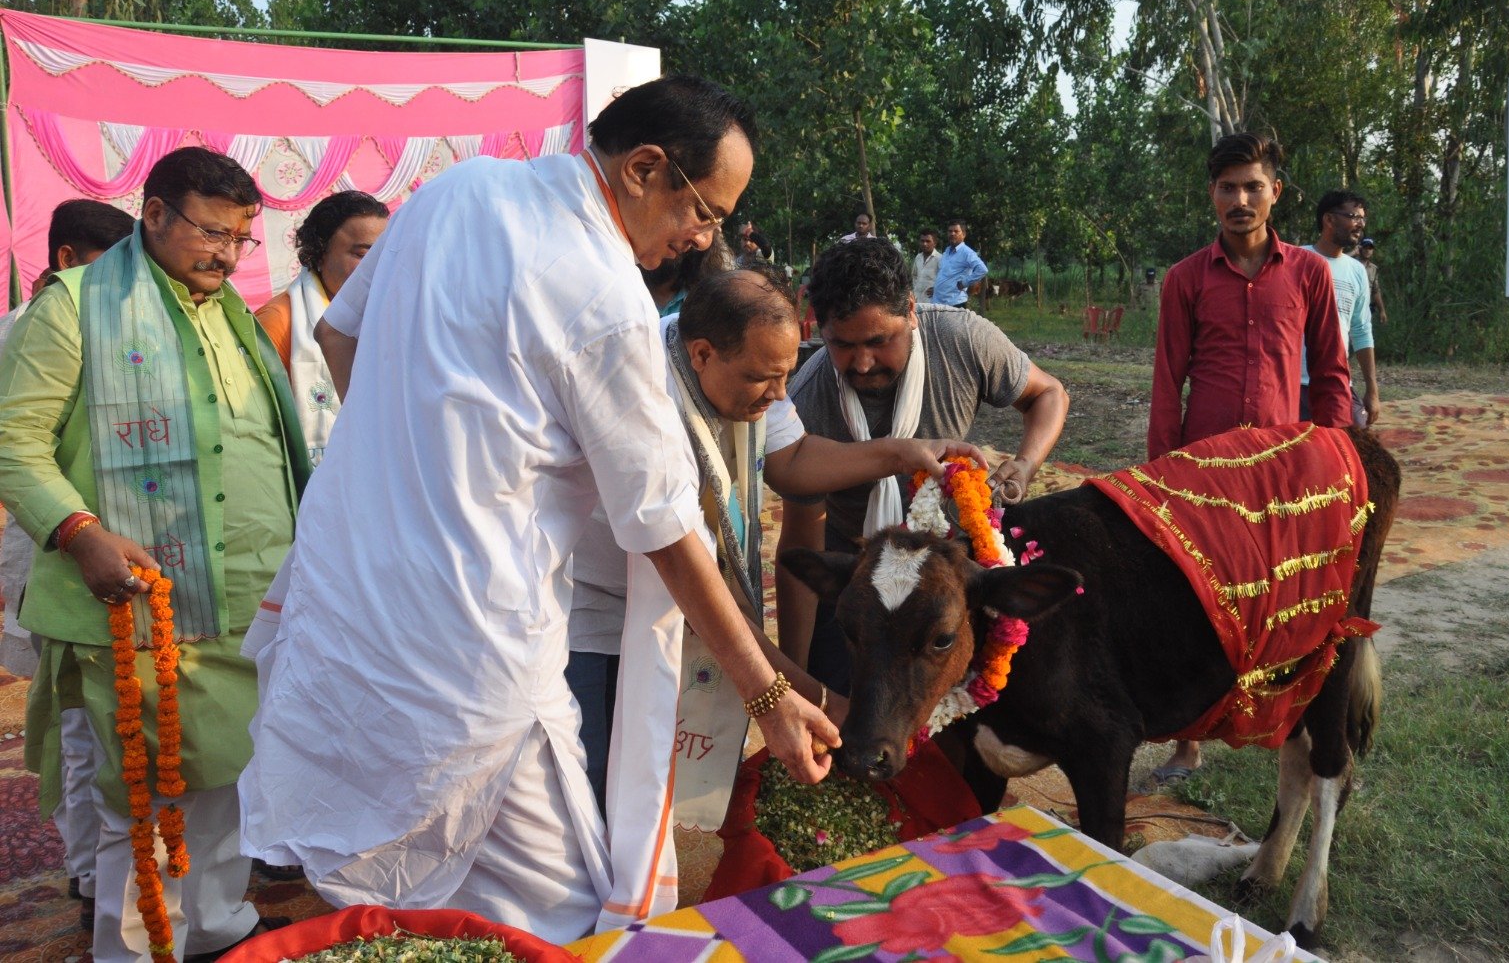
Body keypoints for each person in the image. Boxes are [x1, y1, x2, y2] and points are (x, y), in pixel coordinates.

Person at [238, 76, 838, 943]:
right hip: (471, 637)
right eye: (705, 211)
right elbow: (665, 527)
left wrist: (401, 464)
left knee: (405, 875)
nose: (704, 238)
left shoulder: (454, 190)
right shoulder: (604, 295)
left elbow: (339, 332)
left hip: (352, 594)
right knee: (560, 911)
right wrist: (768, 692)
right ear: (644, 168)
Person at [0, 147, 310, 961]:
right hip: (140, 598)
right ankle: (136, 950)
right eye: (210, 232)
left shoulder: (231, 313)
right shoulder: (75, 306)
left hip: (250, 595)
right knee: (146, 793)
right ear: (156, 213)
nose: (226, 255)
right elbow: (13, 441)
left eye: (239, 238)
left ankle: (214, 925)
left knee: (232, 775)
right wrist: (79, 533)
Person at [566, 267, 980, 799]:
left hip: (665, 612)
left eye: (787, 374)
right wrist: (800, 697)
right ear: (701, 354)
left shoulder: (750, 371)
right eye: (764, 378)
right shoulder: (645, 404)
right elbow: (693, 581)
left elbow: (793, 457)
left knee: (647, 784)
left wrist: (903, 453)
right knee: (592, 785)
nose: (780, 394)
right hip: (590, 617)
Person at [775, 237, 1069, 695]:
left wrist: (1026, 463)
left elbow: (1048, 393)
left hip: (953, 563)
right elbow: (802, 535)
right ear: (819, 330)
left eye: (879, 341)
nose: (863, 363)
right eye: (842, 345)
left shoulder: (962, 340)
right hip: (858, 566)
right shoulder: (808, 402)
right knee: (845, 698)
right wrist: (795, 678)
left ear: (911, 311)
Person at [1146, 132, 1349, 786]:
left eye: (1253, 186)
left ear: (1275, 193)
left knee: (1285, 599)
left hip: (1282, 473)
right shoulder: (1185, 279)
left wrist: (1337, 463)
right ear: (1212, 195)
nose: (1241, 199)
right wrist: (1160, 480)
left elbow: (1332, 375)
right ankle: (1188, 744)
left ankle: (1285, 722)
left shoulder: (1309, 273)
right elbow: (1168, 381)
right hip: (1202, 473)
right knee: (1195, 600)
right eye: (1228, 187)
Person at [0, 197, 134, 933]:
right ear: (66, 260)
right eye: (109, 268)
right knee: (78, 724)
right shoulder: (33, 326)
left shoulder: (114, 320)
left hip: (100, 545)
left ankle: (101, 867)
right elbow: (18, 447)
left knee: (106, 724)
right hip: (57, 545)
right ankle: (88, 871)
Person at [255, 190, 390, 468]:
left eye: (384, 255)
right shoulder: (279, 321)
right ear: (318, 252)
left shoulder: (388, 316)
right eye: (362, 254)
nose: (376, 267)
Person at [1299, 190, 1379, 427]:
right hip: (1293, 383)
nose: (1360, 224)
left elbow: (1361, 331)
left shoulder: (1357, 271)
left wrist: (1372, 390)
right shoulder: (1296, 260)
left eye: (1363, 218)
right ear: (1329, 219)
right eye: (1353, 217)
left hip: (1336, 381)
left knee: (1354, 441)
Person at [932, 218, 987, 307]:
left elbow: (982, 269)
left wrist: (964, 282)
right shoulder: (947, 251)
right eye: (950, 231)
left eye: (956, 231)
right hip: (938, 302)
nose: (952, 234)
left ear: (964, 234)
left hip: (954, 303)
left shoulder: (967, 253)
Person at [1357, 237, 1386, 324]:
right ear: (1360, 248)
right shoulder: (1351, 263)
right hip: (1351, 306)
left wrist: (1382, 311)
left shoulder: (1374, 268)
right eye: (1365, 247)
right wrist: (1353, 252)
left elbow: (1375, 291)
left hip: (1365, 309)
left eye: (1370, 248)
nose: (1367, 250)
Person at [911, 228, 940, 301]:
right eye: (922, 241)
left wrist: (937, 289)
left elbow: (945, 279)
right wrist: (915, 289)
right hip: (917, 299)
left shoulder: (940, 259)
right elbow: (914, 275)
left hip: (932, 301)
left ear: (935, 243)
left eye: (928, 241)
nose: (924, 244)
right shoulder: (918, 257)